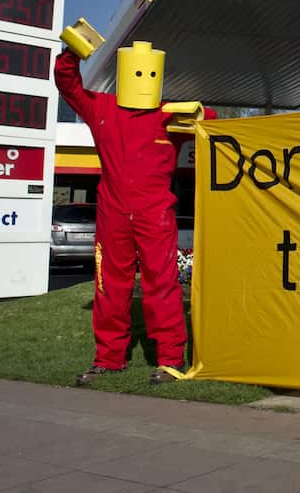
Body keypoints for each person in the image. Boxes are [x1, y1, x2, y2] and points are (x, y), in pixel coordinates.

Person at [54, 27, 208, 386]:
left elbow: (213, 127)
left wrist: (201, 114)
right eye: (138, 72)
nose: (143, 79)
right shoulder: (101, 107)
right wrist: (71, 54)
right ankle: (108, 359)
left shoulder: (168, 114)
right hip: (113, 214)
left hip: (155, 214)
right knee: (109, 285)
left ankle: (170, 359)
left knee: (163, 284)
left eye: (148, 73)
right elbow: (68, 86)